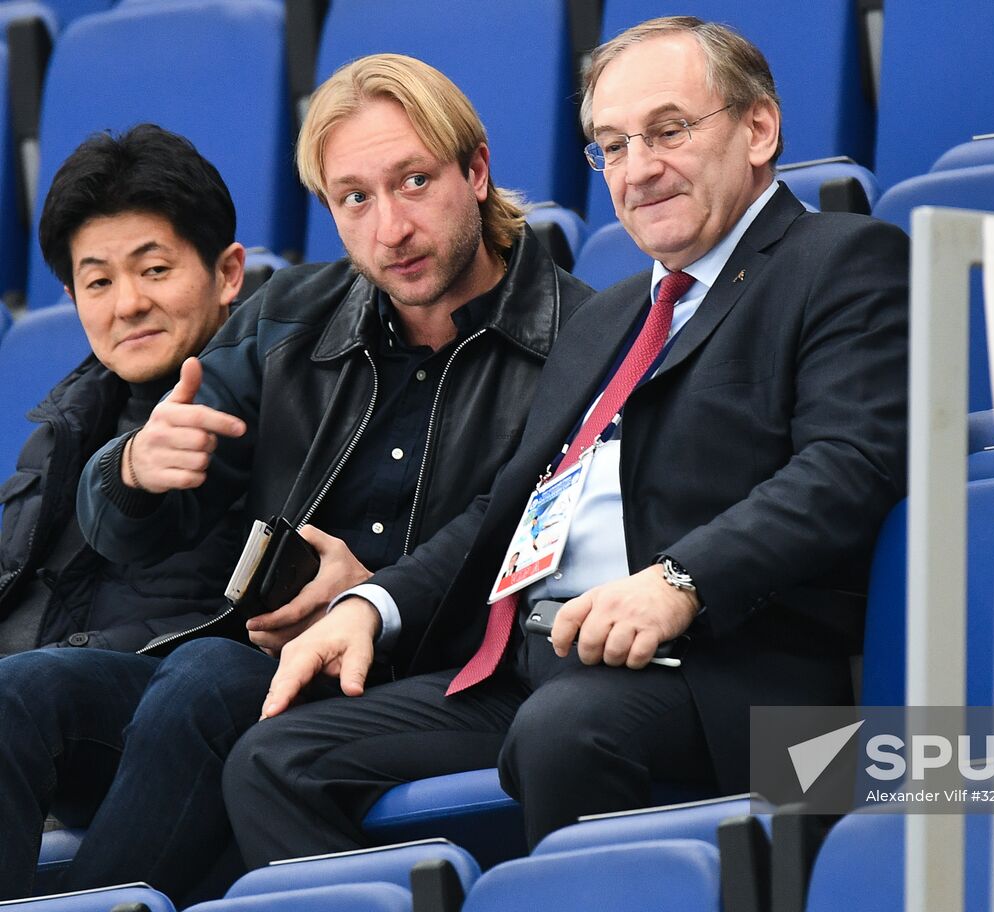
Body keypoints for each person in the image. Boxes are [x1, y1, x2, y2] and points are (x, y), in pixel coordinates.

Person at [224, 15, 909, 861]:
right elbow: (506, 507)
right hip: (535, 665)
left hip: (725, 671)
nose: (639, 169)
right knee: (275, 758)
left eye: (667, 131)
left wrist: (680, 581)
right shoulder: (613, 315)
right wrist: (377, 605)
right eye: (612, 146)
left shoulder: (841, 261)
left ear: (758, 128)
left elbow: (848, 468)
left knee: (566, 730)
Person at [0, 54, 588, 902]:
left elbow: (544, 560)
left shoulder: (581, 335)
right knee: (18, 690)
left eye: (414, 181)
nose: (391, 227)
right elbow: (136, 527)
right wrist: (134, 472)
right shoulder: (288, 319)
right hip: (270, 664)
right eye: (355, 198)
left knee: (206, 678)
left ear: (477, 171)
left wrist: (374, 599)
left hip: (437, 679)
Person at [0, 124, 245, 658]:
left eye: (154, 269)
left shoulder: (283, 398)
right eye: (99, 283)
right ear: (71, 297)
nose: (127, 304)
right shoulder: (61, 426)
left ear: (228, 273)